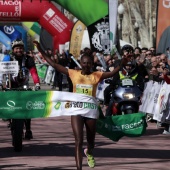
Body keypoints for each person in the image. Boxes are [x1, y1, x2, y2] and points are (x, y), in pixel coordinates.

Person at [33, 40, 128, 170]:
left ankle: (89, 151)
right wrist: (41, 49)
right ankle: (79, 168)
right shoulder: (74, 73)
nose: (86, 65)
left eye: (89, 63)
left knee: (91, 141)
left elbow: (112, 73)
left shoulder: (96, 75)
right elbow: (54, 64)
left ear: (92, 64)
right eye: (84, 63)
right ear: (81, 63)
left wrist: (122, 63)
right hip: (76, 110)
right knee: (78, 140)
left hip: (91, 111)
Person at [3, 39, 41, 139]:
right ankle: (8, 116)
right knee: (6, 101)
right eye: (17, 48)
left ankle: (28, 129)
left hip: (24, 85)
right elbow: (1, 71)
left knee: (27, 107)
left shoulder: (28, 59)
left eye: (20, 48)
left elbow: (33, 72)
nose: (19, 50)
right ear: (13, 50)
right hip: (10, 85)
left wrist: (37, 83)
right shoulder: (8, 58)